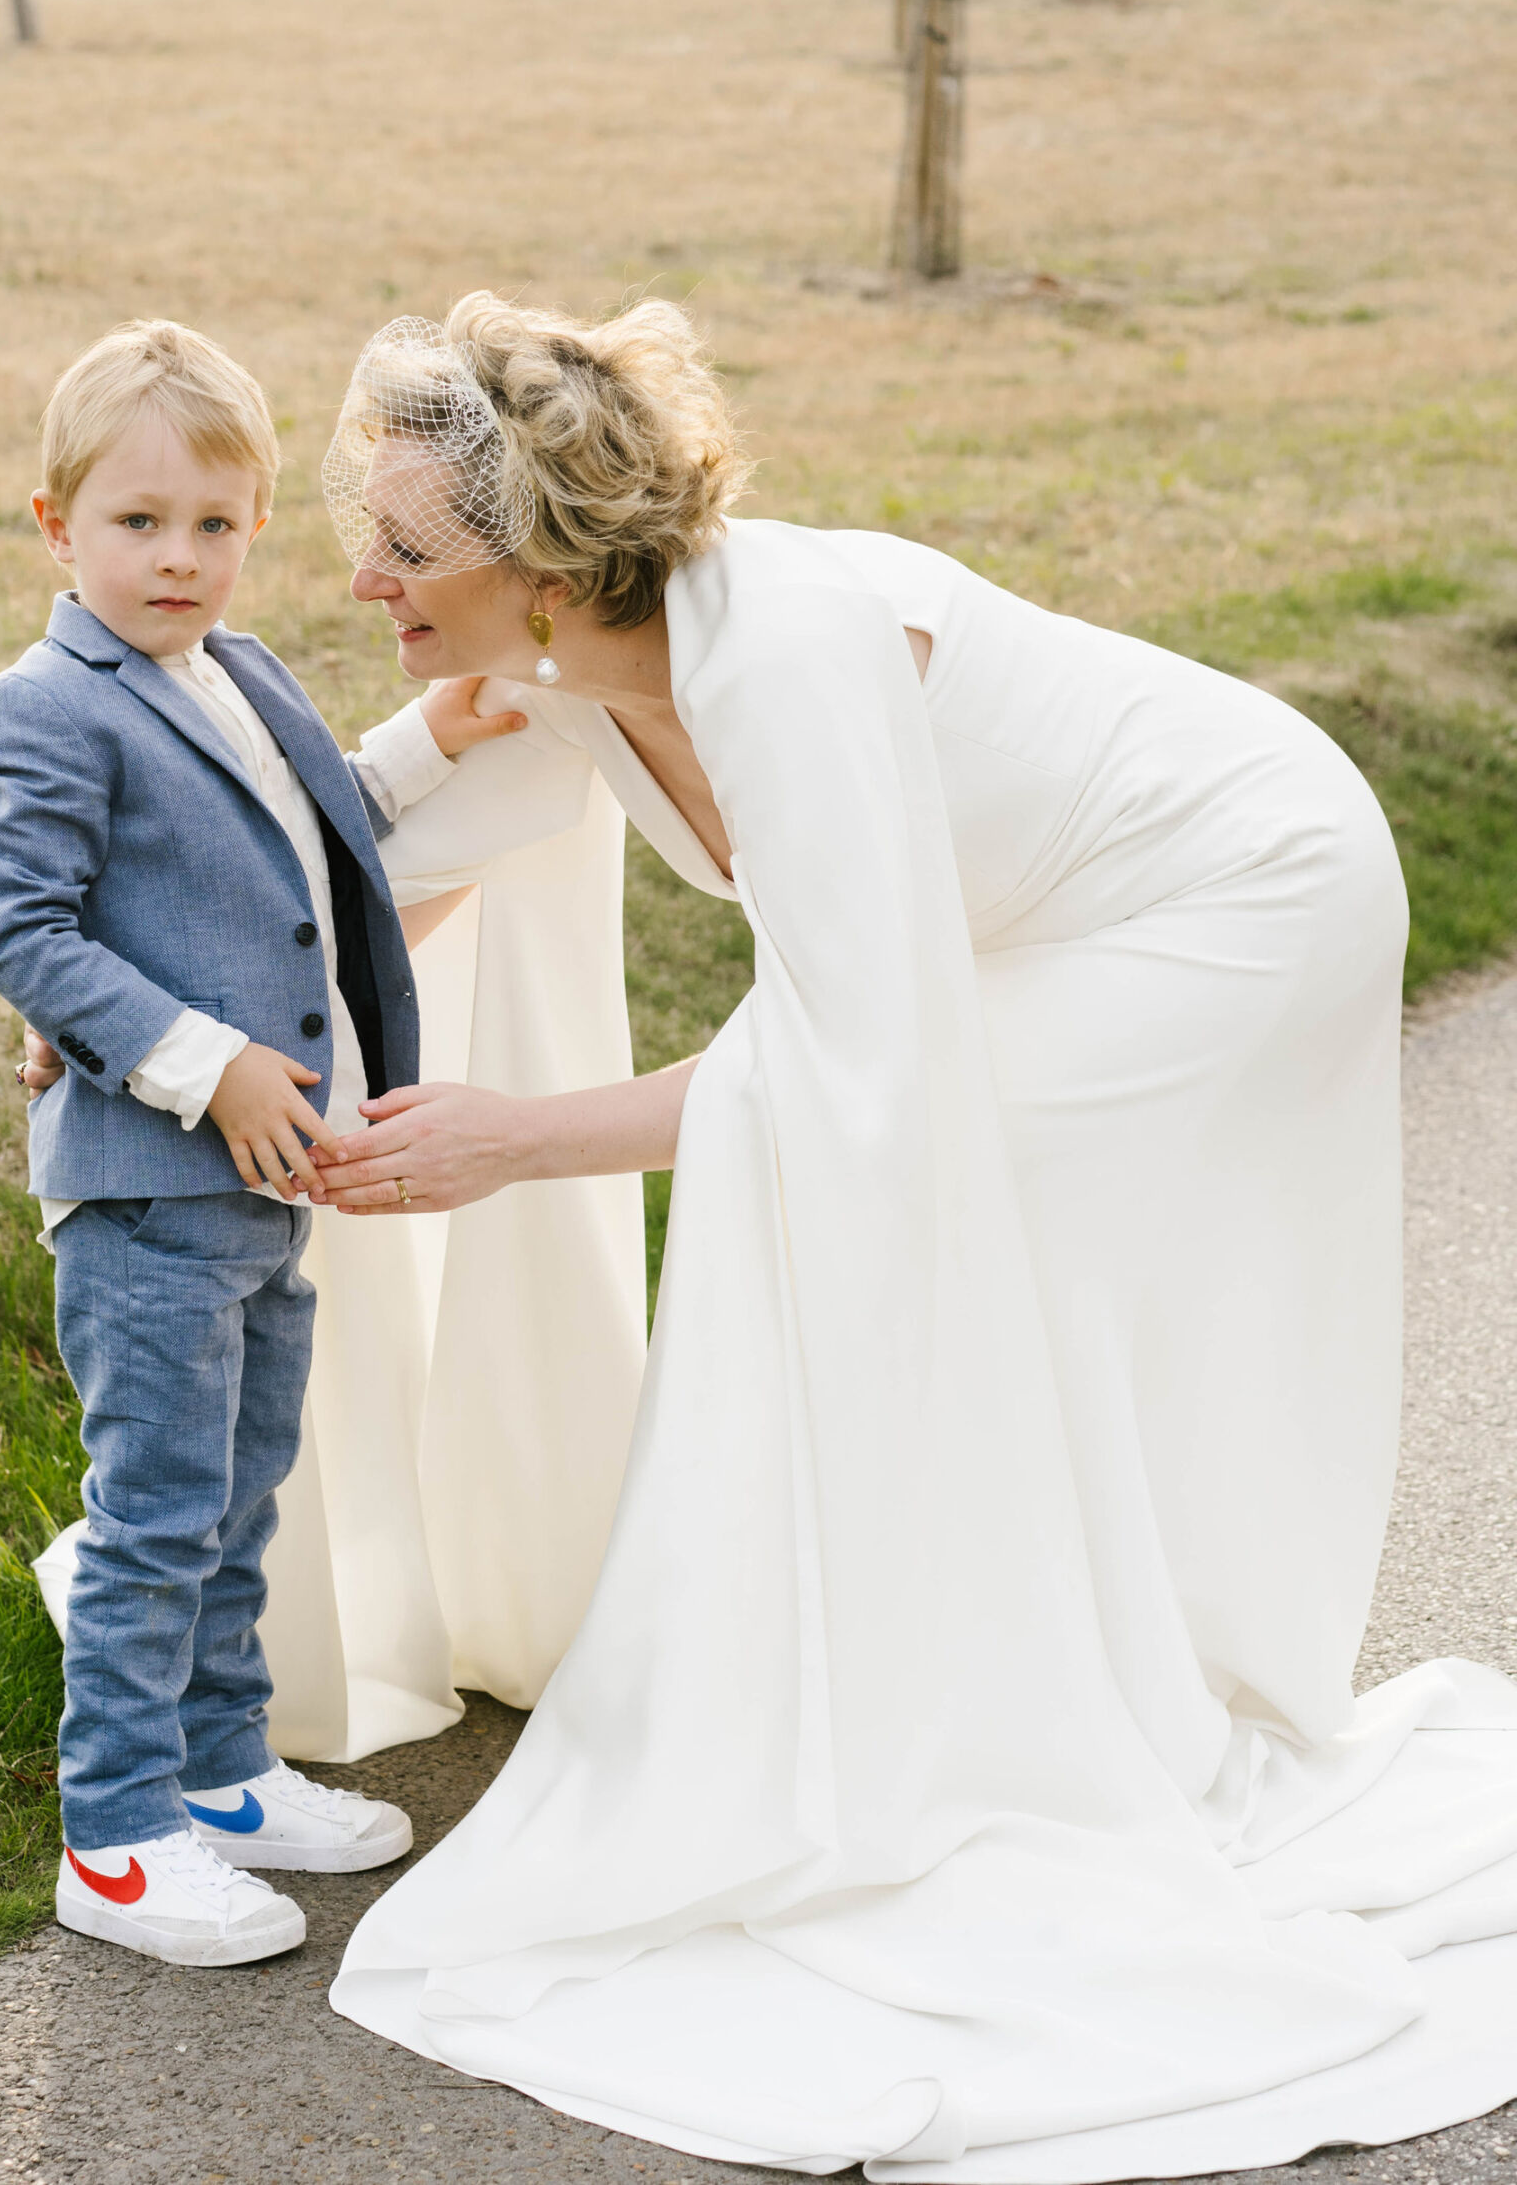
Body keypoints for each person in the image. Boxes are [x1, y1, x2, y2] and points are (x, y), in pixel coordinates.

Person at [289, 294, 1517, 2179]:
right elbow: (378, 873)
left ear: (540, 561)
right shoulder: (570, 663)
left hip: (1245, 893)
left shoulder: (780, 652)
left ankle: (1015, 1726)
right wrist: (181, 1016)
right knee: (934, 1251)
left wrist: (516, 1142)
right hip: (1079, 921)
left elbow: (860, 1079)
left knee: (899, 1212)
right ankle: (1027, 1680)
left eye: (404, 548)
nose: (365, 577)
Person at [0, 319, 512, 1969]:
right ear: (56, 527)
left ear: (258, 524)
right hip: (147, 1191)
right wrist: (208, 1067)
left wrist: (433, 741)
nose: (179, 557)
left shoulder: (244, 672)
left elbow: (310, 811)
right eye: (136, 523)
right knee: (152, 1510)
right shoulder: (42, 709)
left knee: (241, 1492)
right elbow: (27, 936)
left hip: (263, 1199)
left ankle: (216, 1768)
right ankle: (116, 1835)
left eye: (214, 523)